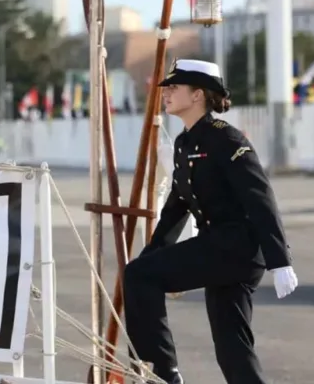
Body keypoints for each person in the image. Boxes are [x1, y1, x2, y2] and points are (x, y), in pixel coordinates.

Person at [123, 59, 298, 384]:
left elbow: (259, 198)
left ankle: (162, 372)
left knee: (139, 276)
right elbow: (176, 208)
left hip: (235, 248)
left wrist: (280, 261)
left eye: (175, 87)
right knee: (232, 348)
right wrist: (152, 254)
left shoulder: (226, 139)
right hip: (220, 247)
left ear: (198, 95)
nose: (167, 93)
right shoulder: (184, 143)